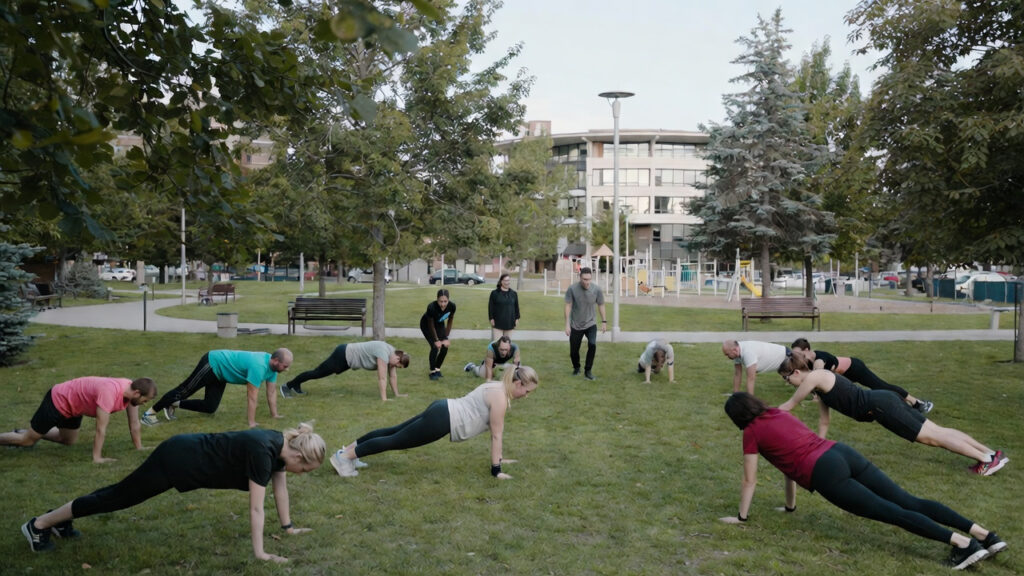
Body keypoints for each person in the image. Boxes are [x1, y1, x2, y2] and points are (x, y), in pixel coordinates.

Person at [720, 393, 1007, 570]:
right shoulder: (779, 413)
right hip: (841, 452)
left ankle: (962, 544)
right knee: (908, 501)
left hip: (825, 471)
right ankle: (985, 535)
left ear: (737, 418)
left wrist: (741, 518)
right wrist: (790, 507)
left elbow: (749, 480)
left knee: (891, 512)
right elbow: (788, 468)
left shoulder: (751, 433)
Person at [21, 422, 325, 561]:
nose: (302, 474)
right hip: (177, 460)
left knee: (115, 494)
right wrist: (260, 554)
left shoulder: (278, 448)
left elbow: (280, 488)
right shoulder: (263, 451)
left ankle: (59, 521)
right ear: (299, 456)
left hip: (184, 452)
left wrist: (288, 528)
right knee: (116, 498)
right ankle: (39, 524)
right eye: (306, 470)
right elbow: (257, 508)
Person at [776, 356, 1007, 476]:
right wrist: (819, 444)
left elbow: (789, 404)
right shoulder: (819, 383)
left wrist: (762, 414)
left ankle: (987, 462)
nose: (789, 384)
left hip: (881, 406)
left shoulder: (814, 377)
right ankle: (989, 453)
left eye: (787, 380)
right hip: (882, 399)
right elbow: (824, 421)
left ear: (796, 372)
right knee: (936, 430)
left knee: (932, 438)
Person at [329, 366, 539, 480]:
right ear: (518, 383)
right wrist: (496, 470)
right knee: (395, 440)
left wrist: (501, 459)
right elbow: (496, 435)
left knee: (394, 432)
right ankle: (345, 458)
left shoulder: (497, 386)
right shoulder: (500, 398)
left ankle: (348, 452)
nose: (526, 396)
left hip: (442, 408)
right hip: (444, 419)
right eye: (527, 391)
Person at [0, 377, 156, 463]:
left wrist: (139, 447)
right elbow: (100, 429)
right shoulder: (110, 393)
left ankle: (27, 433)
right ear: (137, 392)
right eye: (146, 400)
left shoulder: (131, 396)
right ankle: (25, 435)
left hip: (74, 408)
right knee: (28, 441)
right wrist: (97, 458)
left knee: (67, 440)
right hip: (58, 400)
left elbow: (134, 423)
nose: (145, 403)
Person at [141, 348, 292, 428]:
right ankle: (149, 414)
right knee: (184, 390)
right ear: (276, 360)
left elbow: (271, 392)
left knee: (210, 407)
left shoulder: (273, 369)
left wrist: (275, 415)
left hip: (222, 374)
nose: (286, 370)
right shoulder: (259, 365)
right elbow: (252, 396)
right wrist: (251, 422)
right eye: (285, 366)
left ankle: (174, 403)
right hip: (213, 363)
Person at [790, 337, 933, 414]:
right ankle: (901, 406)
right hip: (844, 377)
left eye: (798, 353)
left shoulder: (820, 359)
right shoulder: (807, 361)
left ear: (807, 350)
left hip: (855, 368)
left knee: (880, 387)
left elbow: (817, 375)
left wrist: (815, 396)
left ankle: (917, 403)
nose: (796, 356)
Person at [280, 341, 410, 401]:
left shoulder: (392, 353)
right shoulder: (383, 353)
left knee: (318, 373)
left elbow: (392, 377)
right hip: (343, 355)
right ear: (397, 358)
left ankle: (296, 385)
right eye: (397, 366)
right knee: (317, 373)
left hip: (348, 361)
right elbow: (382, 378)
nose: (394, 368)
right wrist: (384, 399)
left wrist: (397, 394)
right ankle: (288, 386)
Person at [564, 267, 606, 380]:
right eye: (584, 279)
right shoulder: (572, 289)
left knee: (592, 344)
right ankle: (577, 368)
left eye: (589, 279)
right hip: (576, 324)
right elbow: (568, 305)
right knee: (573, 351)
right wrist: (567, 324)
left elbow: (601, 304)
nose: (587, 282)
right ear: (580, 277)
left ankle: (588, 371)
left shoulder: (596, 289)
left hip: (591, 323)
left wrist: (604, 321)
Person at [721, 339, 788, 394]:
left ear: (734, 350)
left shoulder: (748, 353)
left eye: (727, 354)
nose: (727, 357)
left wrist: (749, 400)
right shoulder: (736, 352)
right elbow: (737, 374)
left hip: (787, 357)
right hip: (783, 356)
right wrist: (735, 394)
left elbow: (751, 378)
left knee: (794, 380)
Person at [420, 289, 456, 380]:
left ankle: (437, 369)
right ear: (437, 299)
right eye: (441, 301)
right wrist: (436, 340)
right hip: (427, 325)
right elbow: (431, 324)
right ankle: (432, 372)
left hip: (439, 323)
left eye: (445, 301)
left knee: (445, 346)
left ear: (448, 300)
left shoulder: (452, 306)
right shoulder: (431, 307)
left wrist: (446, 337)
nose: (443, 304)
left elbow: (450, 320)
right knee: (435, 347)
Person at [488, 273, 521, 340]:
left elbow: (516, 307)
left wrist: (517, 318)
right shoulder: (494, 293)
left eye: (508, 280)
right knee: (497, 344)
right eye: (505, 280)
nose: (507, 282)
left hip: (510, 323)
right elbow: (490, 307)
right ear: (501, 281)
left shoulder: (513, 294)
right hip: (497, 323)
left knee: (507, 346)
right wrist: (491, 318)